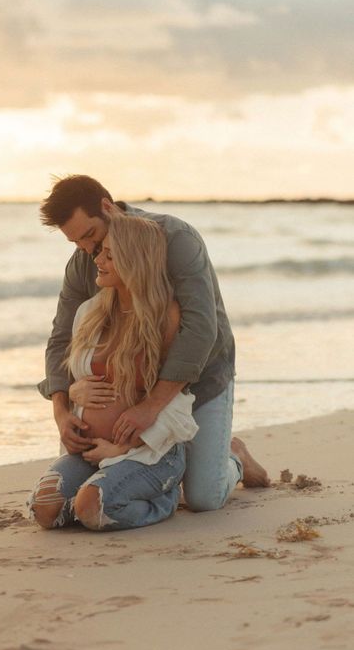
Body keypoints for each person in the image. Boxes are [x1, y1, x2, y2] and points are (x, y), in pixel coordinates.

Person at [37, 175, 269, 515]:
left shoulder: (176, 240)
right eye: (77, 243)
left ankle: (234, 456)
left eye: (90, 235)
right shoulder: (85, 261)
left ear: (107, 207)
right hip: (135, 393)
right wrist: (61, 409)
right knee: (75, 490)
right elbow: (61, 339)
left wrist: (150, 409)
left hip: (202, 377)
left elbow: (200, 329)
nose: (89, 252)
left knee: (204, 497)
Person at [28, 215, 197, 530]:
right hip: (89, 452)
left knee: (92, 509)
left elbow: (175, 398)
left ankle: (165, 499)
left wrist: (123, 448)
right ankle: (100, 487)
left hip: (149, 452)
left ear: (135, 260)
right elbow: (75, 375)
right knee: (45, 509)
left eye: (109, 254)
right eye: (100, 251)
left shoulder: (166, 318)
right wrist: (73, 393)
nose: (98, 260)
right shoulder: (89, 313)